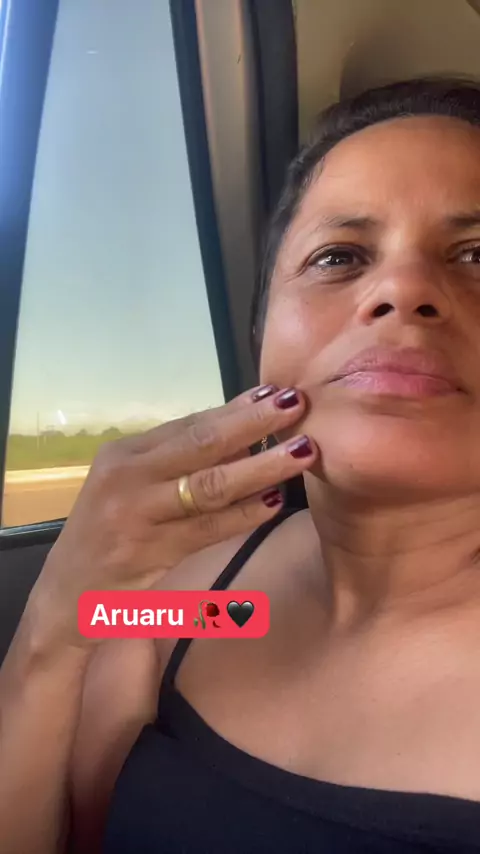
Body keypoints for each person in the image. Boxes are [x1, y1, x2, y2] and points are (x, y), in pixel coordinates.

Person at [3, 76, 480, 854]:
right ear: (261, 334)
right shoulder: (204, 600)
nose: (402, 288)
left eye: (478, 255)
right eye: (339, 256)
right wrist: (56, 621)